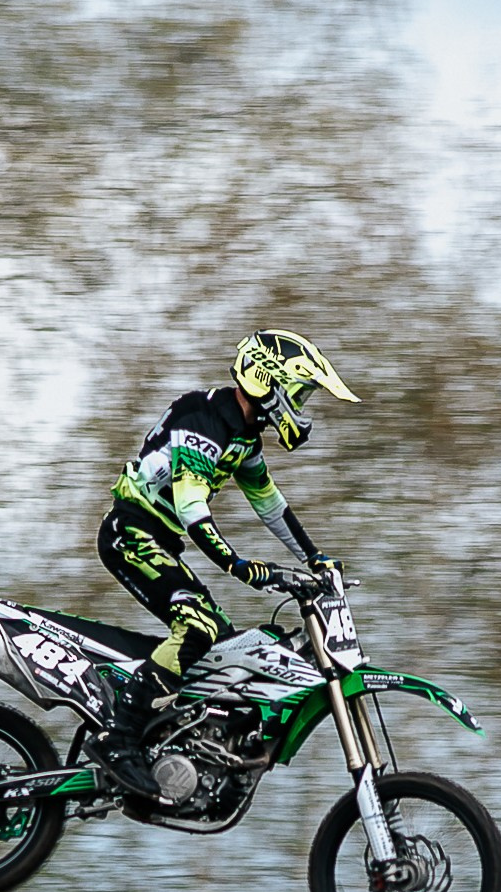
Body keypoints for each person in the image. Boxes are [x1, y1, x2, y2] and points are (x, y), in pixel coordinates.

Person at [91, 329, 358, 796]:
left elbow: (269, 505)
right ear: (267, 381)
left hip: (157, 539)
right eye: (299, 391)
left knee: (228, 647)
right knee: (196, 627)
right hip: (131, 532)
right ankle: (119, 736)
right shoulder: (205, 421)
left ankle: (188, 748)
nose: (301, 403)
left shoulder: (243, 437)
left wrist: (315, 558)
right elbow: (193, 509)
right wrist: (239, 566)